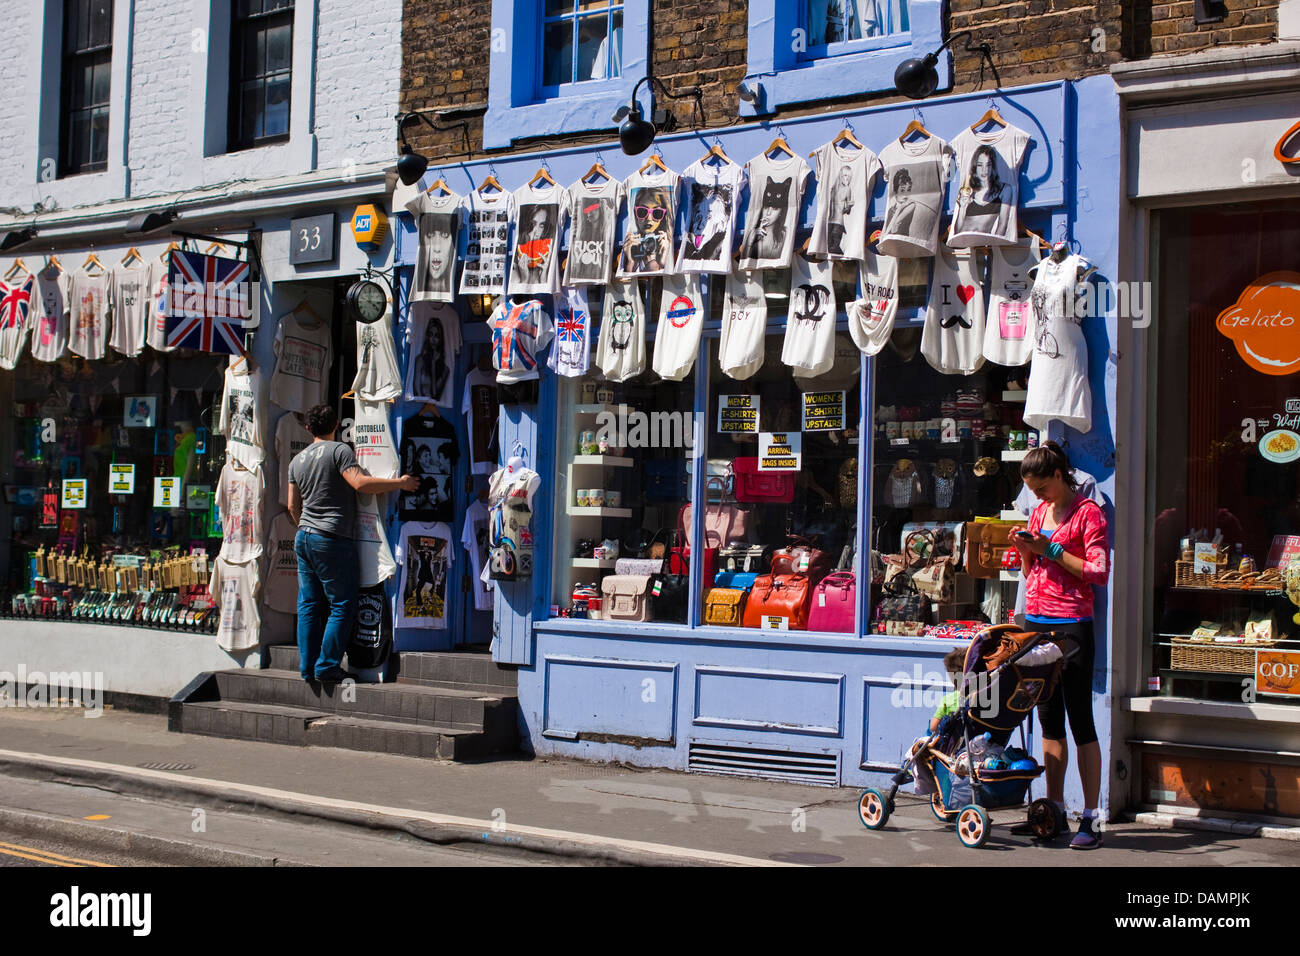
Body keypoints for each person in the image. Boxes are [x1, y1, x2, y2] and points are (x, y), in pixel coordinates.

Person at [1013, 441, 1110, 849]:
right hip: (1036, 619)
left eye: (1042, 488)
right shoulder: (1039, 511)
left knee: (1080, 718)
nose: (1037, 497)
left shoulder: (1089, 514)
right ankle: (1052, 811)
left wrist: (1050, 549)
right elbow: (1032, 569)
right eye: (1032, 491)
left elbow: (1098, 572)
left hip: (1071, 625)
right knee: (1048, 718)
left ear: (1059, 476)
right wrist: (1025, 552)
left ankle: (1091, 817)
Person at [287, 403, 419, 683]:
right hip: (332, 538)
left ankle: (307, 667)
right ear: (336, 424)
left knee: (309, 604)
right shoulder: (340, 451)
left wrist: (307, 526)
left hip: (304, 536)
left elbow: (291, 506)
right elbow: (359, 483)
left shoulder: (297, 460)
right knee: (342, 605)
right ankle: (326, 666)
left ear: (308, 428)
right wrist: (400, 483)